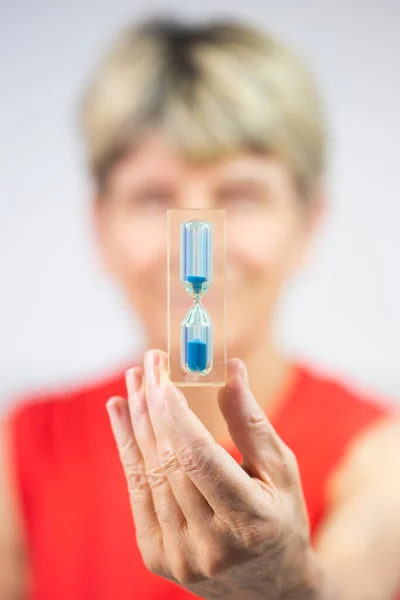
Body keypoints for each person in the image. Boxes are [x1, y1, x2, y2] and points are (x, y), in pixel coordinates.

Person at [1, 17, 400, 600]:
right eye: (152, 197)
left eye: (241, 195)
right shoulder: (22, 450)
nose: (197, 244)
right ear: (101, 227)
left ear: (309, 225)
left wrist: (287, 585)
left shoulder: (380, 454)